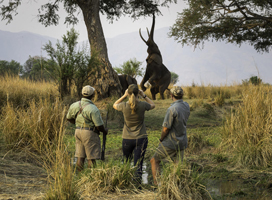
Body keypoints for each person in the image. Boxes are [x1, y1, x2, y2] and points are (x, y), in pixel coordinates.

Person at [113, 84, 155, 184]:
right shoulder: (143, 105)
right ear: (137, 93)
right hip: (141, 138)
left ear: (128, 93)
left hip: (127, 139)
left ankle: (125, 182)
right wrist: (144, 95)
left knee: (126, 162)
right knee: (138, 164)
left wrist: (124, 95)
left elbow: (114, 105)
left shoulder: (124, 106)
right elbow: (153, 105)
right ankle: (137, 185)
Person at [150, 86, 190, 185]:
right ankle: (176, 186)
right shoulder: (186, 105)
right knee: (177, 165)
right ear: (182, 95)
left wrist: (161, 139)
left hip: (171, 141)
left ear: (171, 95)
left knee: (154, 160)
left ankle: (157, 185)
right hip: (182, 140)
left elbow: (165, 128)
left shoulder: (172, 109)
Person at [66, 85, 108, 171]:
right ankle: (90, 178)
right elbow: (99, 126)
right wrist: (105, 131)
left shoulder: (74, 105)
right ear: (93, 95)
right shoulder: (93, 108)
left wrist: (77, 123)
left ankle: (80, 176)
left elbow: (68, 118)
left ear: (82, 93)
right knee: (91, 158)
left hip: (78, 131)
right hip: (89, 133)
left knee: (80, 157)